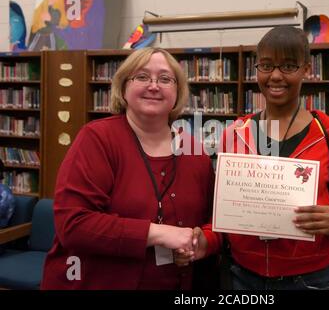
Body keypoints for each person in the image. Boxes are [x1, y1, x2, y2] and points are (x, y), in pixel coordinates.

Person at [175, 26, 329, 290]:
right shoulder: (234, 134)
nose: (275, 76)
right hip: (241, 277)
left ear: (307, 70)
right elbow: (225, 215)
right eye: (266, 66)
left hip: (309, 280)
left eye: (288, 66)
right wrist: (205, 240)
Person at [41, 47, 216, 289]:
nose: (153, 86)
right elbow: (73, 224)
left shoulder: (195, 152)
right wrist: (158, 233)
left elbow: (211, 222)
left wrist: (199, 242)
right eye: (142, 77)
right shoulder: (97, 139)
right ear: (123, 88)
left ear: (178, 92)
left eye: (165, 79)